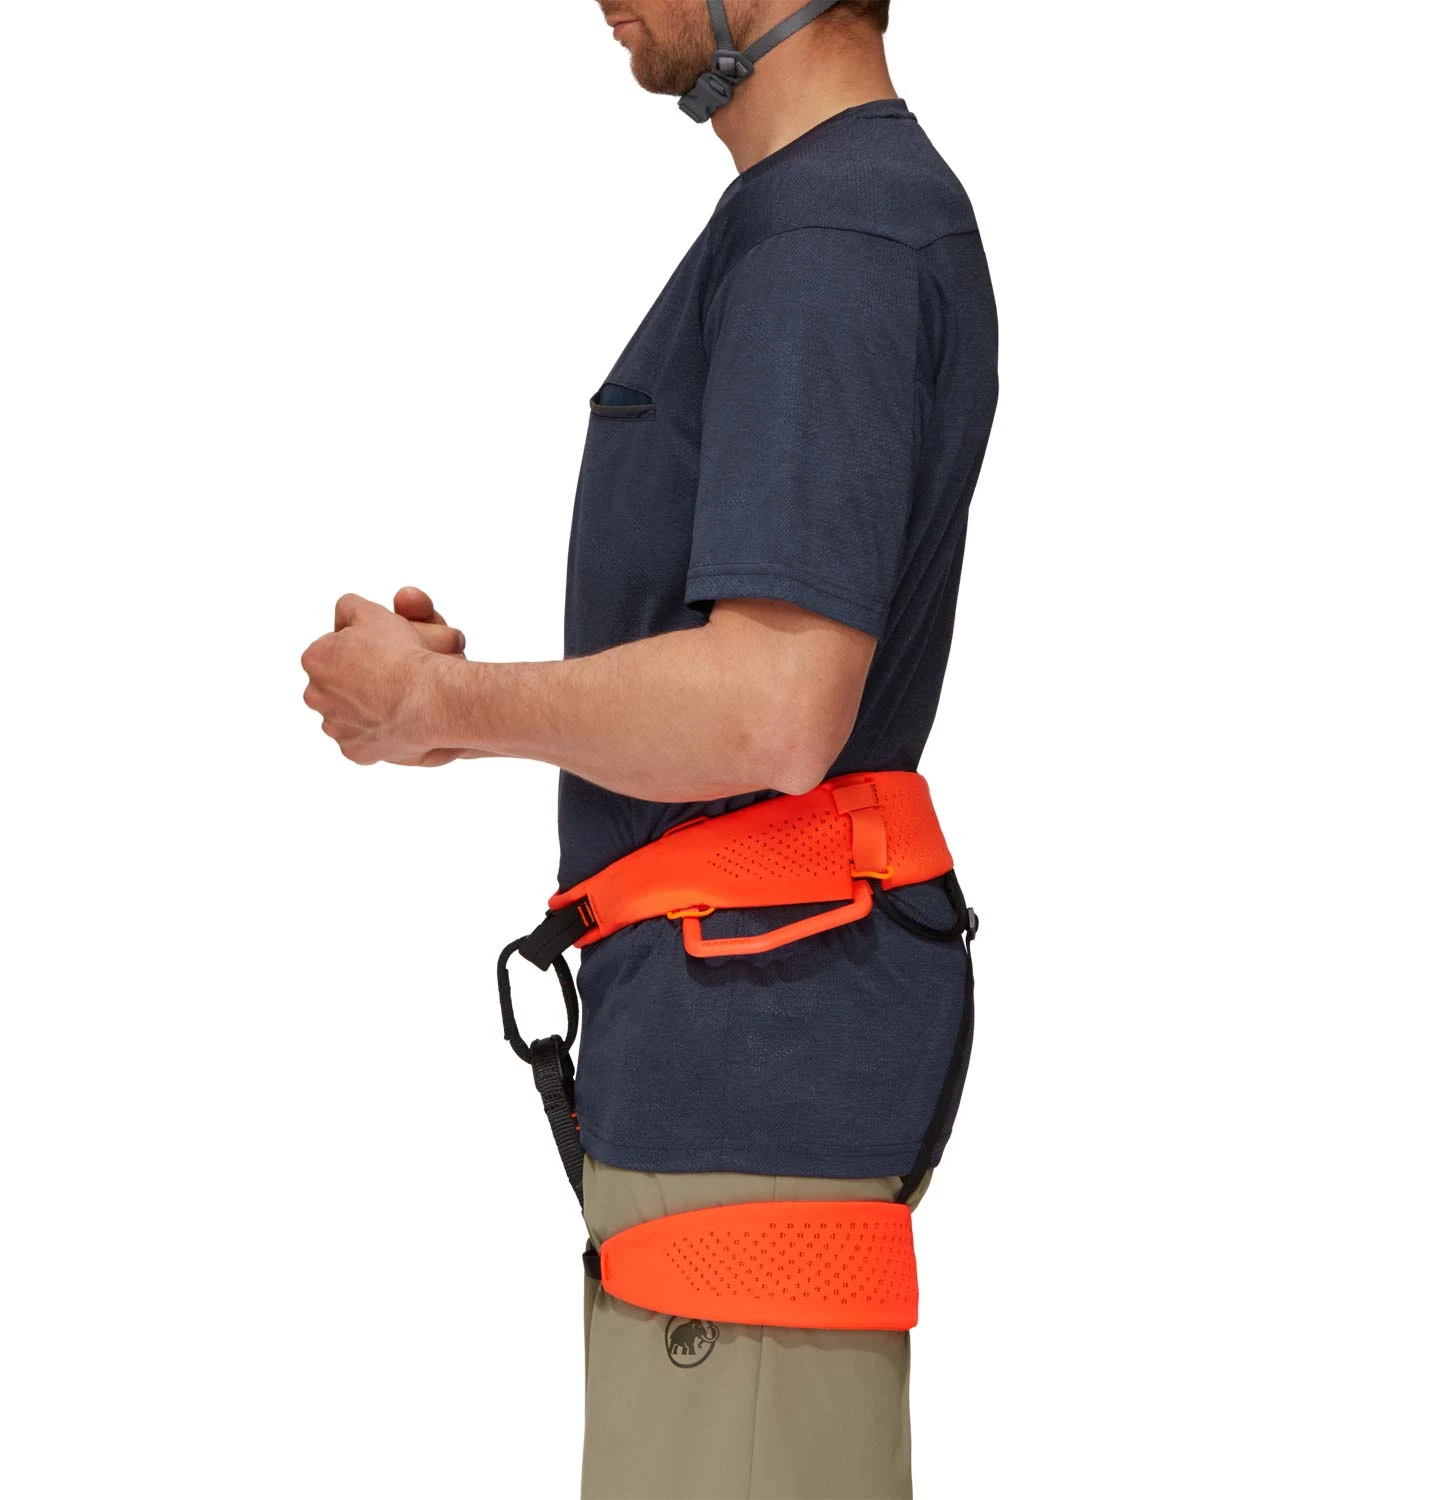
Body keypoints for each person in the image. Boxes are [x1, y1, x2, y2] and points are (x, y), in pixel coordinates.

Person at [300, 2, 998, 1494]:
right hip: (743, 1047)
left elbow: (774, 710)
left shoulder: (830, 240)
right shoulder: (820, 220)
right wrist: (471, 704)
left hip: (756, 1056)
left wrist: (445, 710)